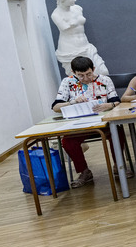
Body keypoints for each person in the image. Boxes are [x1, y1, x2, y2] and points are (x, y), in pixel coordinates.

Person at [51, 55, 128, 187]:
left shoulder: (104, 80)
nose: (86, 79)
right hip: (80, 125)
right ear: (73, 73)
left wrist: (109, 105)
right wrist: (73, 102)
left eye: (89, 74)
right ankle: (84, 171)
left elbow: (117, 101)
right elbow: (55, 107)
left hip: (104, 123)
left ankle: (118, 166)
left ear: (93, 69)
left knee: (118, 132)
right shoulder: (67, 82)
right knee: (67, 142)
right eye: (81, 75)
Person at [49, 0, 108, 76]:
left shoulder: (77, 8)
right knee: (78, 78)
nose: (75, 0)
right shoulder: (56, 14)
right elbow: (64, 27)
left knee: (102, 72)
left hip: (85, 45)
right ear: (62, 0)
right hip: (70, 48)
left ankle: (103, 89)